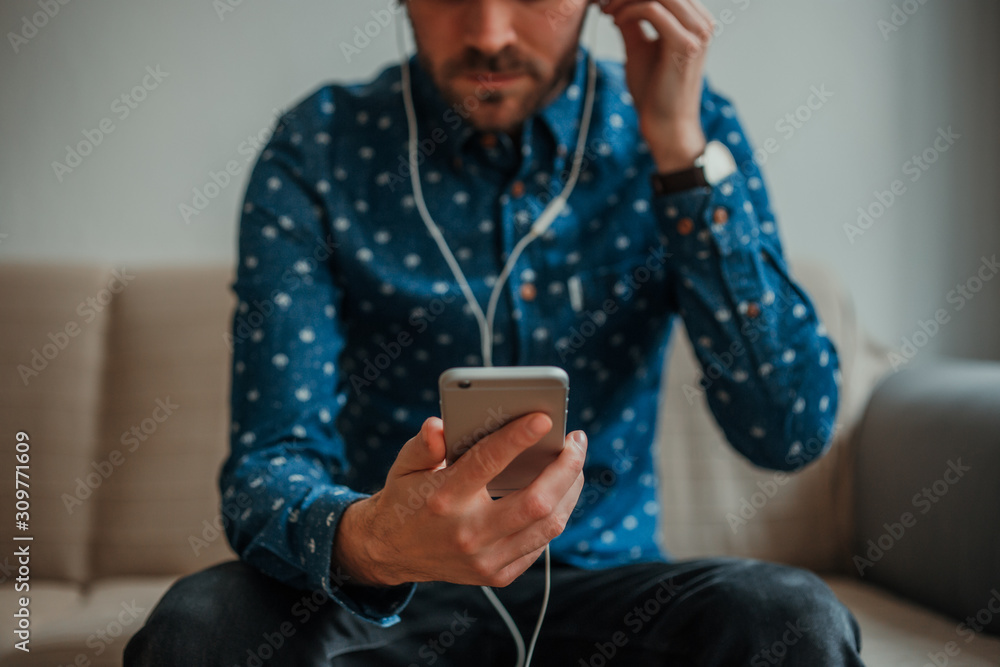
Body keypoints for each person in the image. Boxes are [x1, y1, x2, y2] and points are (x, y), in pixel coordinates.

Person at [125, 0, 865, 664]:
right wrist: (376, 539)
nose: (489, 34)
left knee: (790, 617)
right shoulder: (319, 148)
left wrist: (679, 149)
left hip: (606, 591)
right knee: (203, 626)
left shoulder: (686, 128)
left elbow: (789, 429)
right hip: (382, 598)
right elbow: (266, 467)